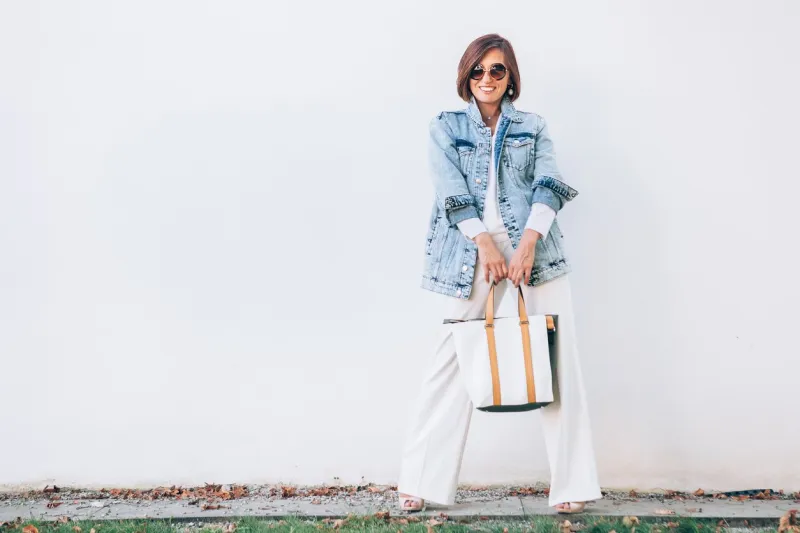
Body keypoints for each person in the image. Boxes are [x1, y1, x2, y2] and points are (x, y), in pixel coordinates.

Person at [396, 33, 602, 514]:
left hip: (535, 247)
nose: (486, 78)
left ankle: (572, 486)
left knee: (558, 362)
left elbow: (549, 182)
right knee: (449, 362)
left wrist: (528, 243)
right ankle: (421, 482)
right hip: (471, 251)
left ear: (511, 77)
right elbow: (450, 190)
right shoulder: (445, 126)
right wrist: (484, 243)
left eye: (496, 70)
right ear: (465, 76)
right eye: (477, 70)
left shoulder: (533, 125)